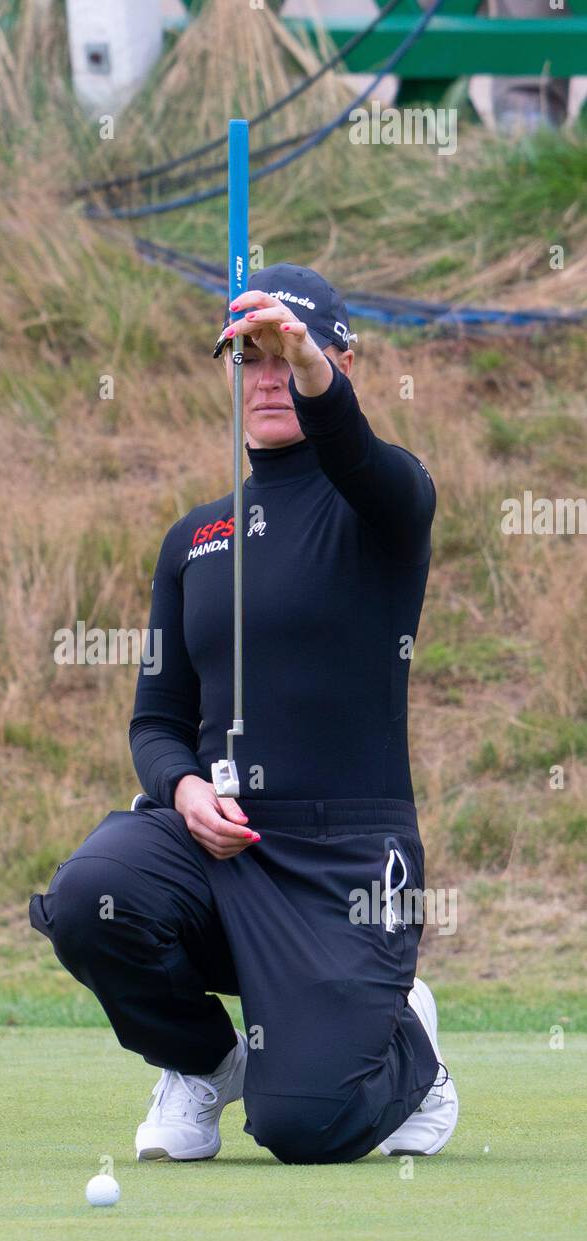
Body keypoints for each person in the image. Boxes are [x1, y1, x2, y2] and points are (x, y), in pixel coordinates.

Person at [29, 263, 459, 1164]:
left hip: (344, 861)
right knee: (89, 897)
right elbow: (155, 722)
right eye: (247, 358)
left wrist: (309, 366)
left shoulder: (384, 501)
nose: (267, 376)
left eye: (287, 354)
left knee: (305, 1124)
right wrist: (183, 790)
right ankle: (204, 1066)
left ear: (343, 362)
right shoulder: (196, 539)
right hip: (220, 848)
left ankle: (407, 1039)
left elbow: (360, 456)